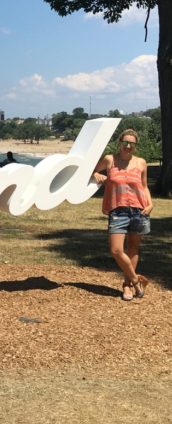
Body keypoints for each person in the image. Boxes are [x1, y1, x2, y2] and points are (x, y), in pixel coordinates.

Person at [92, 129, 153, 301]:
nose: (128, 146)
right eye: (125, 142)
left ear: (135, 145)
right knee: (116, 250)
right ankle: (135, 280)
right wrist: (96, 173)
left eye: (131, 144)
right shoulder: (110, 160)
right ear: (119, 143)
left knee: (133, 249)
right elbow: (91, 171)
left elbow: (144, 186)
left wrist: (150, 204)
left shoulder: (141, 163)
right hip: (118, 210)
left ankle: (127, 286)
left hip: (139, 210)